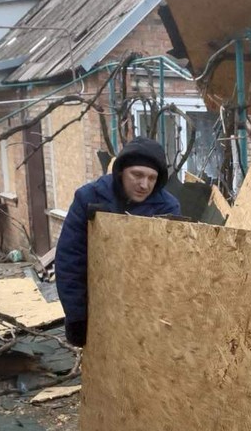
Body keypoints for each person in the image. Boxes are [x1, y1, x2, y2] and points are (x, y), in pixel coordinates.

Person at [55, 136, 181, 347]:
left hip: (146, 312)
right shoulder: (90, 198)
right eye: (137, 175)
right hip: (100, 305)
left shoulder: (167, 207)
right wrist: (77, 316)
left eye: (152, 178)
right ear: (121, 171)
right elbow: (70, 259)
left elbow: (169, 268)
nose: (144, 185)